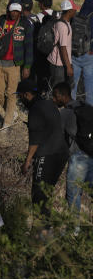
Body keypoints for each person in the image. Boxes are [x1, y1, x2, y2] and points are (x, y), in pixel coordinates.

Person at [18, 79, 69, 219]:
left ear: (27, 95)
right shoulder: (49, 103)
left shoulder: (35, 110)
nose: (20, 99)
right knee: (46, 193)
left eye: (20, 96)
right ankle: (46, 229)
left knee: (39, 196)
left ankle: (41, 233)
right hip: (62, 154)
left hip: (48, 155)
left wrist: (27, 161)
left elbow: (35, 140)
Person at [0, 0, 34, 129]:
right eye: (12, 10)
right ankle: (12, 113)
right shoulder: (1, 20)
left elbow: (29, 47)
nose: (14, 13)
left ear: (20, 11)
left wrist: (27, 66)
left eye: (17, 11)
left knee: (11, 94)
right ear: (8, 9)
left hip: (14, 65)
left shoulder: (25, 24)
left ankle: (6, 124)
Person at [51, 82, 93, 215]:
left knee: (73, 195)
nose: (54, 99)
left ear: (63, 96)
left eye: (55, 96)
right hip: (91, 153)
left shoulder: (65, 113)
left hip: (78, 158)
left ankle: (73, 230)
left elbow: (58, 140)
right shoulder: (85, 105)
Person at [48, 0, 76, 91]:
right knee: (57, 91)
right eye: (74, 9)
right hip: (59, 65)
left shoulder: (63, 22)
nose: (76, 11)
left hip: (60, 63)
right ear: (69, 11)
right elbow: (63, 48)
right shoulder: (63, 26)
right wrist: (69, 67)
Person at [72, 0, 93, 105]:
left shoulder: (77, 16)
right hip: (88, 55)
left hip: (74, 54)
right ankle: (90, 109)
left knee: (73, 84)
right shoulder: (92, 18)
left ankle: (71, 108)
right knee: (89, 85)